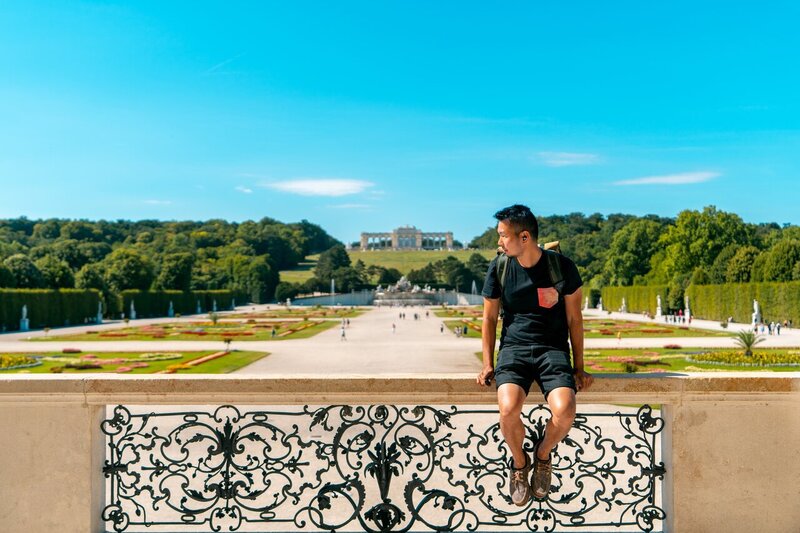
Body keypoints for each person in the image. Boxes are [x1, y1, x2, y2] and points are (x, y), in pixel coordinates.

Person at [476, 204, 593, 506]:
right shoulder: (499, 267)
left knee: (565, 411)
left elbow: (575, 319)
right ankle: (519, 463)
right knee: (508, 408)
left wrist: (579, 367)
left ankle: (543, 454)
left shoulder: (562, 267)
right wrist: (488, 363)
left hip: (552, 350)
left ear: (524, 236)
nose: (499, 242)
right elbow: (488, 319)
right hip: (513, 349)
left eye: (503, 236)